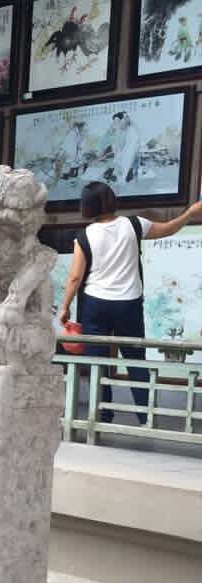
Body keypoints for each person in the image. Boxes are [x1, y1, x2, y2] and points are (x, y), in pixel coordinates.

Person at [58, 181, 202, 424]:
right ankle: (146, 417)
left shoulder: (84, 236)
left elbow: (74, 277)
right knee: (135, 360)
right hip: (129, 305)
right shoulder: (134, 224)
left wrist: (65, 307)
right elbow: (168, 229)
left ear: (87, 206)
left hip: (95, 305)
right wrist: (190, 213)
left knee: (97, 362)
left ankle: (101, 416)